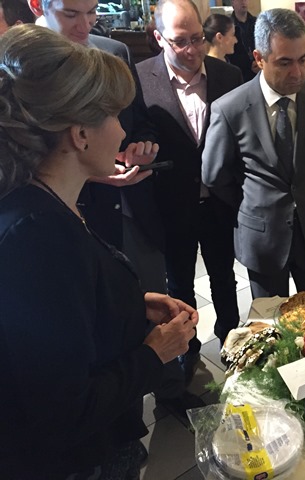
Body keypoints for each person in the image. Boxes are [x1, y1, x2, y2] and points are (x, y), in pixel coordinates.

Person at [0, 24, 198, 479]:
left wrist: (131, 304)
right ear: (80, 134)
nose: (123, 129)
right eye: (112, 115)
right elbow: (62, 411)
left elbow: (68, 311)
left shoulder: (49, 202)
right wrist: (154, 354)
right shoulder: (34, 238)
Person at [202, 8, 305, 299]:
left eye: (303, 60)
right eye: (285, 62)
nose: (297, 73)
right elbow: (214, 176)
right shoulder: (230, 108)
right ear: (259, 58)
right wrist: (253, 201)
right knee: (268, 320)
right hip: (262, 237)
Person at [29, 0, 166, 292]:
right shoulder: (20, 65)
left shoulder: (115, 52)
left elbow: (139, 123)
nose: (85, 26)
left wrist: (141, 146)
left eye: (92, 12)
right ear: (37, 5)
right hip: (59, 219)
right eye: (71, 14)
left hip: (129, 210)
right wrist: (90, 173)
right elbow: (21, 157)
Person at [139, 0, 242, 344]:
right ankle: (187, 348)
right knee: (179, 284)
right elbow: (138, 131)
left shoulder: (228, 76)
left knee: (224, 278)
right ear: (159, 38)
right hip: (170, 205)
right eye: (180, 41)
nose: (192, 49)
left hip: (219, 203)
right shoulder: (140, 78)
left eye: (198, 38)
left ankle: (231, 343)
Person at [227, 0, 258, 82]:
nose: (243, 2)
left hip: (258, 69)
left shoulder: (257, 22)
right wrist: (248, 65)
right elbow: (228, 53)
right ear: (232, 2)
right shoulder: (228, 26)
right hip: (239, 74)